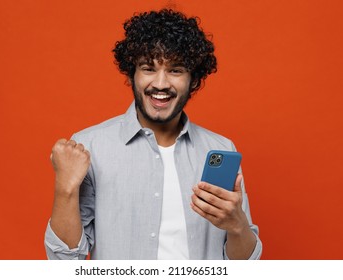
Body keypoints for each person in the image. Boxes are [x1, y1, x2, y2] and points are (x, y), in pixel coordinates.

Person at [44, 9, 262, 260]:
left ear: (193, 80)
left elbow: (242, 267)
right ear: (132, 75)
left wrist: (237, 226)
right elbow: (65, 261)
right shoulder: (90, 146)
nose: (160, 83)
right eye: (148, 68)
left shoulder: (220, 149)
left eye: (176, 70)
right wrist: (65, 189)